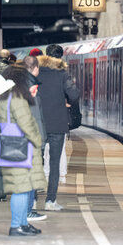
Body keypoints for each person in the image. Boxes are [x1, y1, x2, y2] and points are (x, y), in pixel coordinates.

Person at [0, 66, 47, 236]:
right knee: (21, 189)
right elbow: (27, 125)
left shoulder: (2, 98)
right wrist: (38, 141)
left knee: (22, 187)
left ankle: (23, 223)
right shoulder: (16, 98)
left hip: (9, 146)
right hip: (21, 147)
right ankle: (17, 225)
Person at [37, 44, 79, 211]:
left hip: (37, 123)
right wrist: (66, 101)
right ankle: (50, 201)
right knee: (54, 164)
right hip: (57, 123)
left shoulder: (36, 71)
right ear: (61, 57)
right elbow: (74, 94)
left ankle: (31, 200)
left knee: (36, 162)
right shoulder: (62, 74)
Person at [19, 56, 47, 221]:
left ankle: (25, 213)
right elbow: (35, 117)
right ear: (35, 68)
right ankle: (27, 212)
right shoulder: (30, 88)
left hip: (22, 138)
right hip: (30, 139)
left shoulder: (18, 83)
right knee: (29, 178)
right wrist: (41, 140)